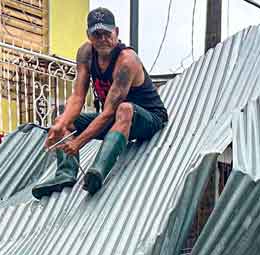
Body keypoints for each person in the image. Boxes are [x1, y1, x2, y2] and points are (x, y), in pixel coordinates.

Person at [31, 7, 169, 198]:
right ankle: (65, 173)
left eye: (107, 33)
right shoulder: (86, 54)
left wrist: (79, 142)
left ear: (116, 32)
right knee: (64, 116)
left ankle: (97, 172)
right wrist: (60, 125)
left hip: (147, 118)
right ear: (89, 35)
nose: (103, 38)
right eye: (97, 34)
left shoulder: (127, 61)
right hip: (115, 120)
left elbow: (108, 112)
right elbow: (78, 97)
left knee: (124, 108)